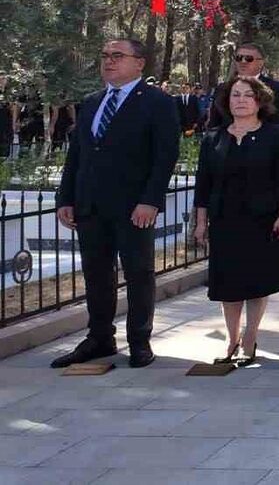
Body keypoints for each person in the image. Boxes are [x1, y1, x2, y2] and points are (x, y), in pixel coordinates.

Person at [51, 38, 180, 369]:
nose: (109, 61)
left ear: (139, 63)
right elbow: (77, 154)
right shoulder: (93, 102)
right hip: (90, 205)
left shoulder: (157, 102)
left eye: (117, 56)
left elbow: (165, 156)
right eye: (105, 55)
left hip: (134, 207)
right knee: (97, 275)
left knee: (139, 273)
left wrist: (150, 200)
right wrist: (66, 197)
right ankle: (99, 338)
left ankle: (139, 341)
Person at [193, 77, 279, 364]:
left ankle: (251, 335)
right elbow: (204, 184)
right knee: (228, 282)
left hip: (263, 220)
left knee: (257, 280)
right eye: (235, 95)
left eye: (248, 95)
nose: (240, 100)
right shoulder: (214, 137)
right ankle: (230, 335)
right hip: (225, 219)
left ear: (259, 101)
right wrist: (201, 222)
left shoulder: (275, 135)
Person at [207, 43, 279, 130]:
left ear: (261, 63)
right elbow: (214, 124)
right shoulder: (222, 88)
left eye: (248, 59)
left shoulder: (275, 88)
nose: (243, 62)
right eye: (238, 58)